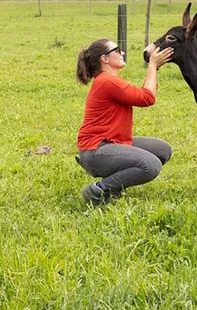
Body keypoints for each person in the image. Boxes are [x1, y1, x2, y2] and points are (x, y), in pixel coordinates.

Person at [75, 38, 174, 206]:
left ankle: (114, 184)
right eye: (117, 50)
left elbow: (144, 95)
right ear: (104, 59)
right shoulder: (107, 82)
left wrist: (154, 68)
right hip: (95, 151)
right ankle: (99, 190)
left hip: (112, 143)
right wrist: (151, 66)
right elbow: (147, 98)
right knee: (151, 165)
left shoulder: (109, 81)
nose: (122, 53)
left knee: (163, 150)